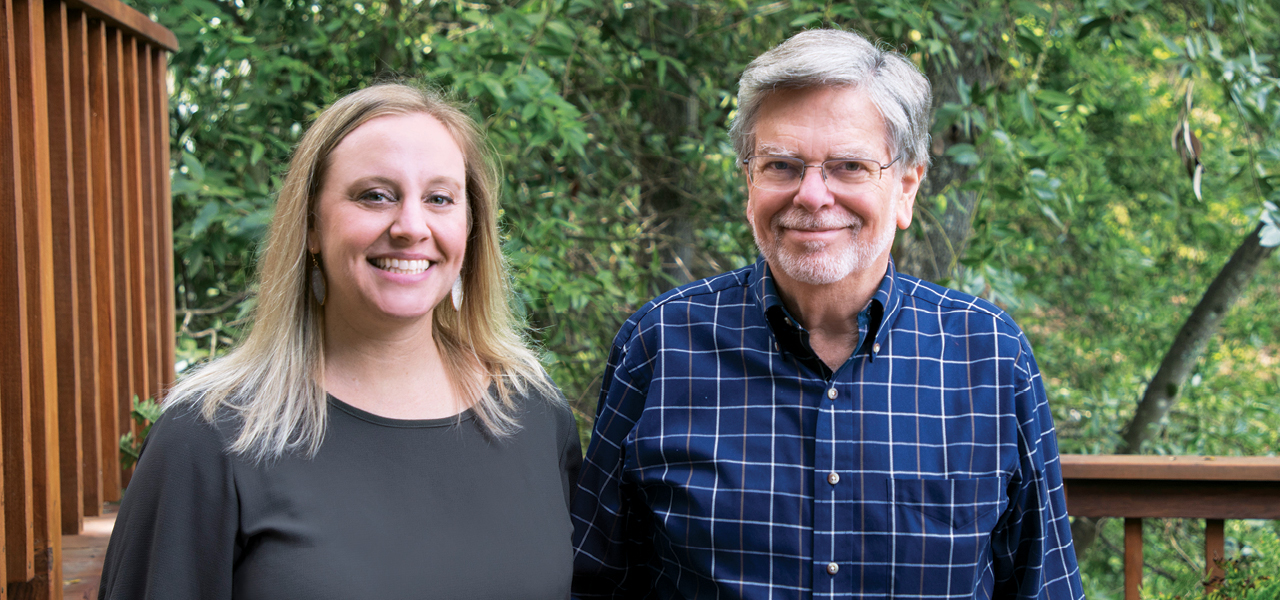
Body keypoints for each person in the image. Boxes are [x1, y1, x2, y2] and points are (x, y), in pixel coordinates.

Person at [571, 29, 1084, 599]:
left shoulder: (989, 354)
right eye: (783, 166)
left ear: (907, 187)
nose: (812, 195)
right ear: (749, 183)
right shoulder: (660, 345)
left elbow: (1044, 587)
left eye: (849, 167)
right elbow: (597, 582)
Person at [99, 83, 581, 599]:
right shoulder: (210, 434)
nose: (411, 226)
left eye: (439, 198)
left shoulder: (533, 412)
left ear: (471, 226)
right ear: (310, 224)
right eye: (375, 195)